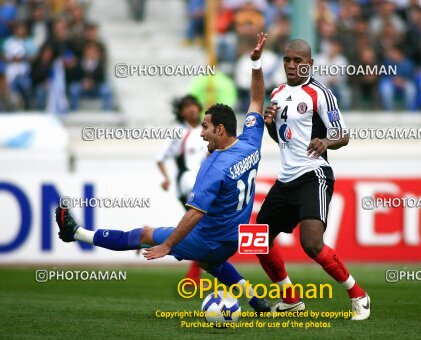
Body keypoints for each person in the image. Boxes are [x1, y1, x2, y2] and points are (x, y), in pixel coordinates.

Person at [56, 33, 271, 312]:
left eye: (205, 127)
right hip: (233, 238)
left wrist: (168, 245)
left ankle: (77, 233)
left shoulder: (214, 167)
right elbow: (256, 100)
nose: (202, 132)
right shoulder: (251, 141)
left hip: (209, 238)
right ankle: (255, 300)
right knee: (210, 262)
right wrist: (256, 64)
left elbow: (194, 213)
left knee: (145, 233)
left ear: (220, 129)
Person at [257, 39, 370, 320]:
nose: (292, 66)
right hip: (286, 178)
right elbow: (281, 139)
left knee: (311, 245)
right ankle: (291, 300)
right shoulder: (277, 93)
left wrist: (325, 141)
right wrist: (270, 125)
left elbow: (342, 135)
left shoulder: (321, 94)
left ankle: (358, 295)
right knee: (257, 240)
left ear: (309, 64)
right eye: (287, 60)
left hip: (314, 174)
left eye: (298, 61)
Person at [156, 94, 208, 284]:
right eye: (187, 106)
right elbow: (160, 158)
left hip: (205, 184)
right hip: (187, 183)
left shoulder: (207, 129)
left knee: (200, 229)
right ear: (181, 112)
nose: (192, 108)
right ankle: (194, 273)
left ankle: (146, 238)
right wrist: (166, 178)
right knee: (201, 226)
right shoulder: (178, 133)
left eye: (194, 104)